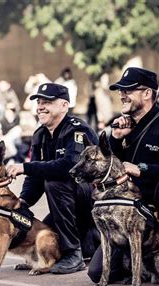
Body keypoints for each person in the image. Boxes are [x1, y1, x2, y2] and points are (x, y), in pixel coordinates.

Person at [88, 67, 159, 286]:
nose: (122, 95)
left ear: (147, 93)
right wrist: (117, 141)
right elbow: (111, 171)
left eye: (128, 90)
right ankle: (137, 259)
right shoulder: (122, 126)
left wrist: (144, 169)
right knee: (97, 273)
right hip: (134, 214)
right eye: (120, 90)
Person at [7, 82, 99, 274]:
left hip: (92, 200)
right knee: (43, 233)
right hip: (67, 198)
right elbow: (35, 176)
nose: (40, 106)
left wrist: (25, 167)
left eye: (47, 102)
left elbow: (69, 167)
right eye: (39, 102)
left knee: (56, 181)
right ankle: (44, 257)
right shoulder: (40, 134)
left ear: (64, 105)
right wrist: (23, 201)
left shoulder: (77, 130)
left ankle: (74, 253)